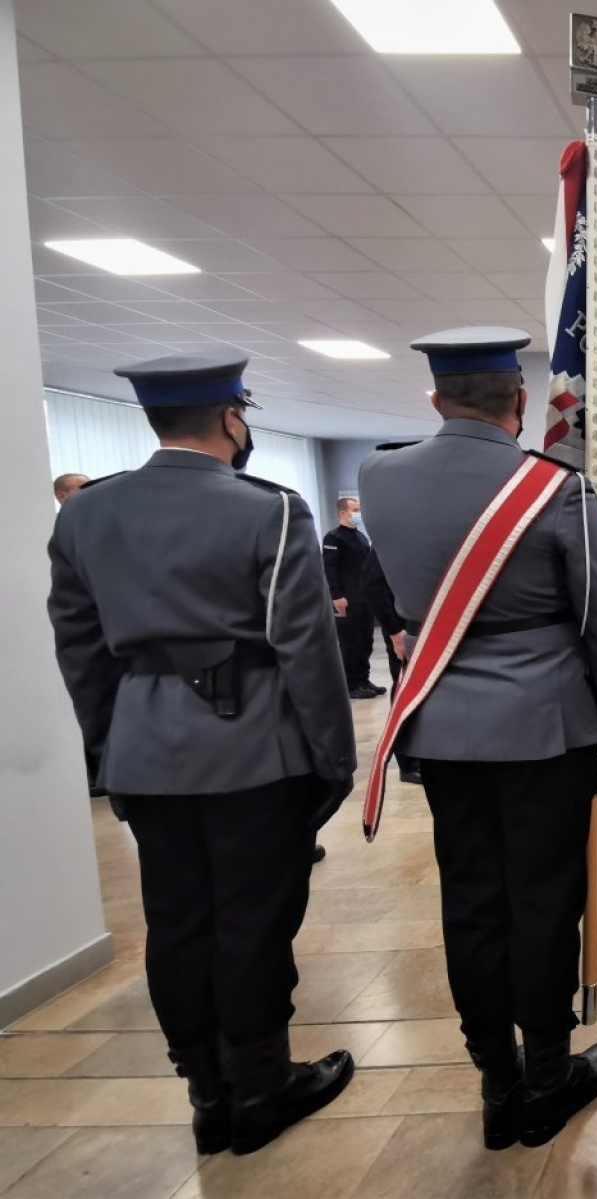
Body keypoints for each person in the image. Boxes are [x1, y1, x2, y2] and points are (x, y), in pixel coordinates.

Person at [46, 352, 357, 1157]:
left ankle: (207, 1095)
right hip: (254, 750)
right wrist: (334, 756)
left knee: (177, 922)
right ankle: (261, 1089)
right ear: (231, 417)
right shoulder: (270, 509)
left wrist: (112, 747)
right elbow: (305, 648)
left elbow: (80, 648)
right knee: (253, 922)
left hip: (143, 749)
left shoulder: (85, 512)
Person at [359, 327, 597, 1151]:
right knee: (544, 899)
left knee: (470, 898)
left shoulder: (378, 477)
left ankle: (496, 1080)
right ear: (519, 400)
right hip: (545, 728)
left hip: (442, 725)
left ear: (434, 398)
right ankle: (548, 1078)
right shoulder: (555, 487)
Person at [359, 543, 423, 785]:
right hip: (404, 630)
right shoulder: (390, 539)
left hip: (427, 627)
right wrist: (395, 631)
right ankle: (409, 762)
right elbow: (371, 585)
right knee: (406, 692)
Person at [323, 497, 384, 700]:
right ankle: (352, 684)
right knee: (351, 643)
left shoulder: (360, 537)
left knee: (366, 641)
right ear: (342, 513)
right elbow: (329, 570)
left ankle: (363, 679)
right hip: (346, 600)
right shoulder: (333, 538)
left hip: (363, 598)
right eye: (355, 509)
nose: (359, 513)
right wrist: (336, 596)